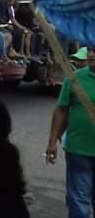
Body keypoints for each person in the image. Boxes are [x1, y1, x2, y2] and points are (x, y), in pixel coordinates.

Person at [47, 47, 95, 218]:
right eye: (90, 50)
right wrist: (52, 142)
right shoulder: (75, 79)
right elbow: (61, 110)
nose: (91, 54)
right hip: (78, 151)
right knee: (78, 201)